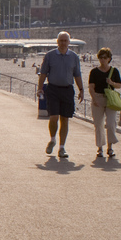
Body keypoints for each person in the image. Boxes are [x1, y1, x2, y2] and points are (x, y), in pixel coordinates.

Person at [37, 31, 84, 159]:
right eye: (61, 40)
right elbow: (43, 73)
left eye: (65, 40)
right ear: (57, 42)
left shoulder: (74, 57)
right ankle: (52, 139)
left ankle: (62, 148)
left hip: (67, 90)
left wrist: (81, 89)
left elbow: (77, 74)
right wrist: (40, 88)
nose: (63, 43)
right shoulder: (50, 56)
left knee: (65, 119)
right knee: (54, 117)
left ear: (69, 42)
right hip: (53, 89)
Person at [88, 47, 121, 158]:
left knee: (111, 123)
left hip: (110, 99)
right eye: (101, 57)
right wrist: (94, 99)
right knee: (98, 124)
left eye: (105, 57)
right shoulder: (94, 71)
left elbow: (119, 85)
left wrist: (111, 82)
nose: (102, 59)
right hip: (98, 97)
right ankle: (100, 148)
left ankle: (110, 147)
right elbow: (91, 86)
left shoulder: (114, 71)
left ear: (109, 59)